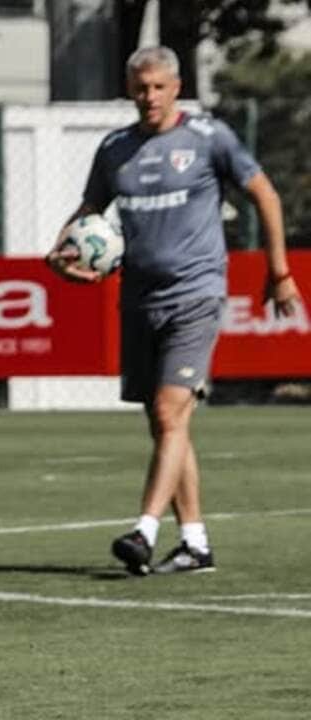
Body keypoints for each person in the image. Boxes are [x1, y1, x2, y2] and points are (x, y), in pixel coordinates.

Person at [46, 46, 301, 576]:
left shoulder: (210, 138)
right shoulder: (115, 148)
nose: (149, 97)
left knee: (169, 413)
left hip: (197, 294)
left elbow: (266, 196)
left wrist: (279, 272)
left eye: (159, 87)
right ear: (129, 88)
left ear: (176, 87)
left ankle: (144, 529)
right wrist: (62, 251)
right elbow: (90, 211)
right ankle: (195, 542)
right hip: (138, 298)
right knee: (166, 424)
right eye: (140, 88)